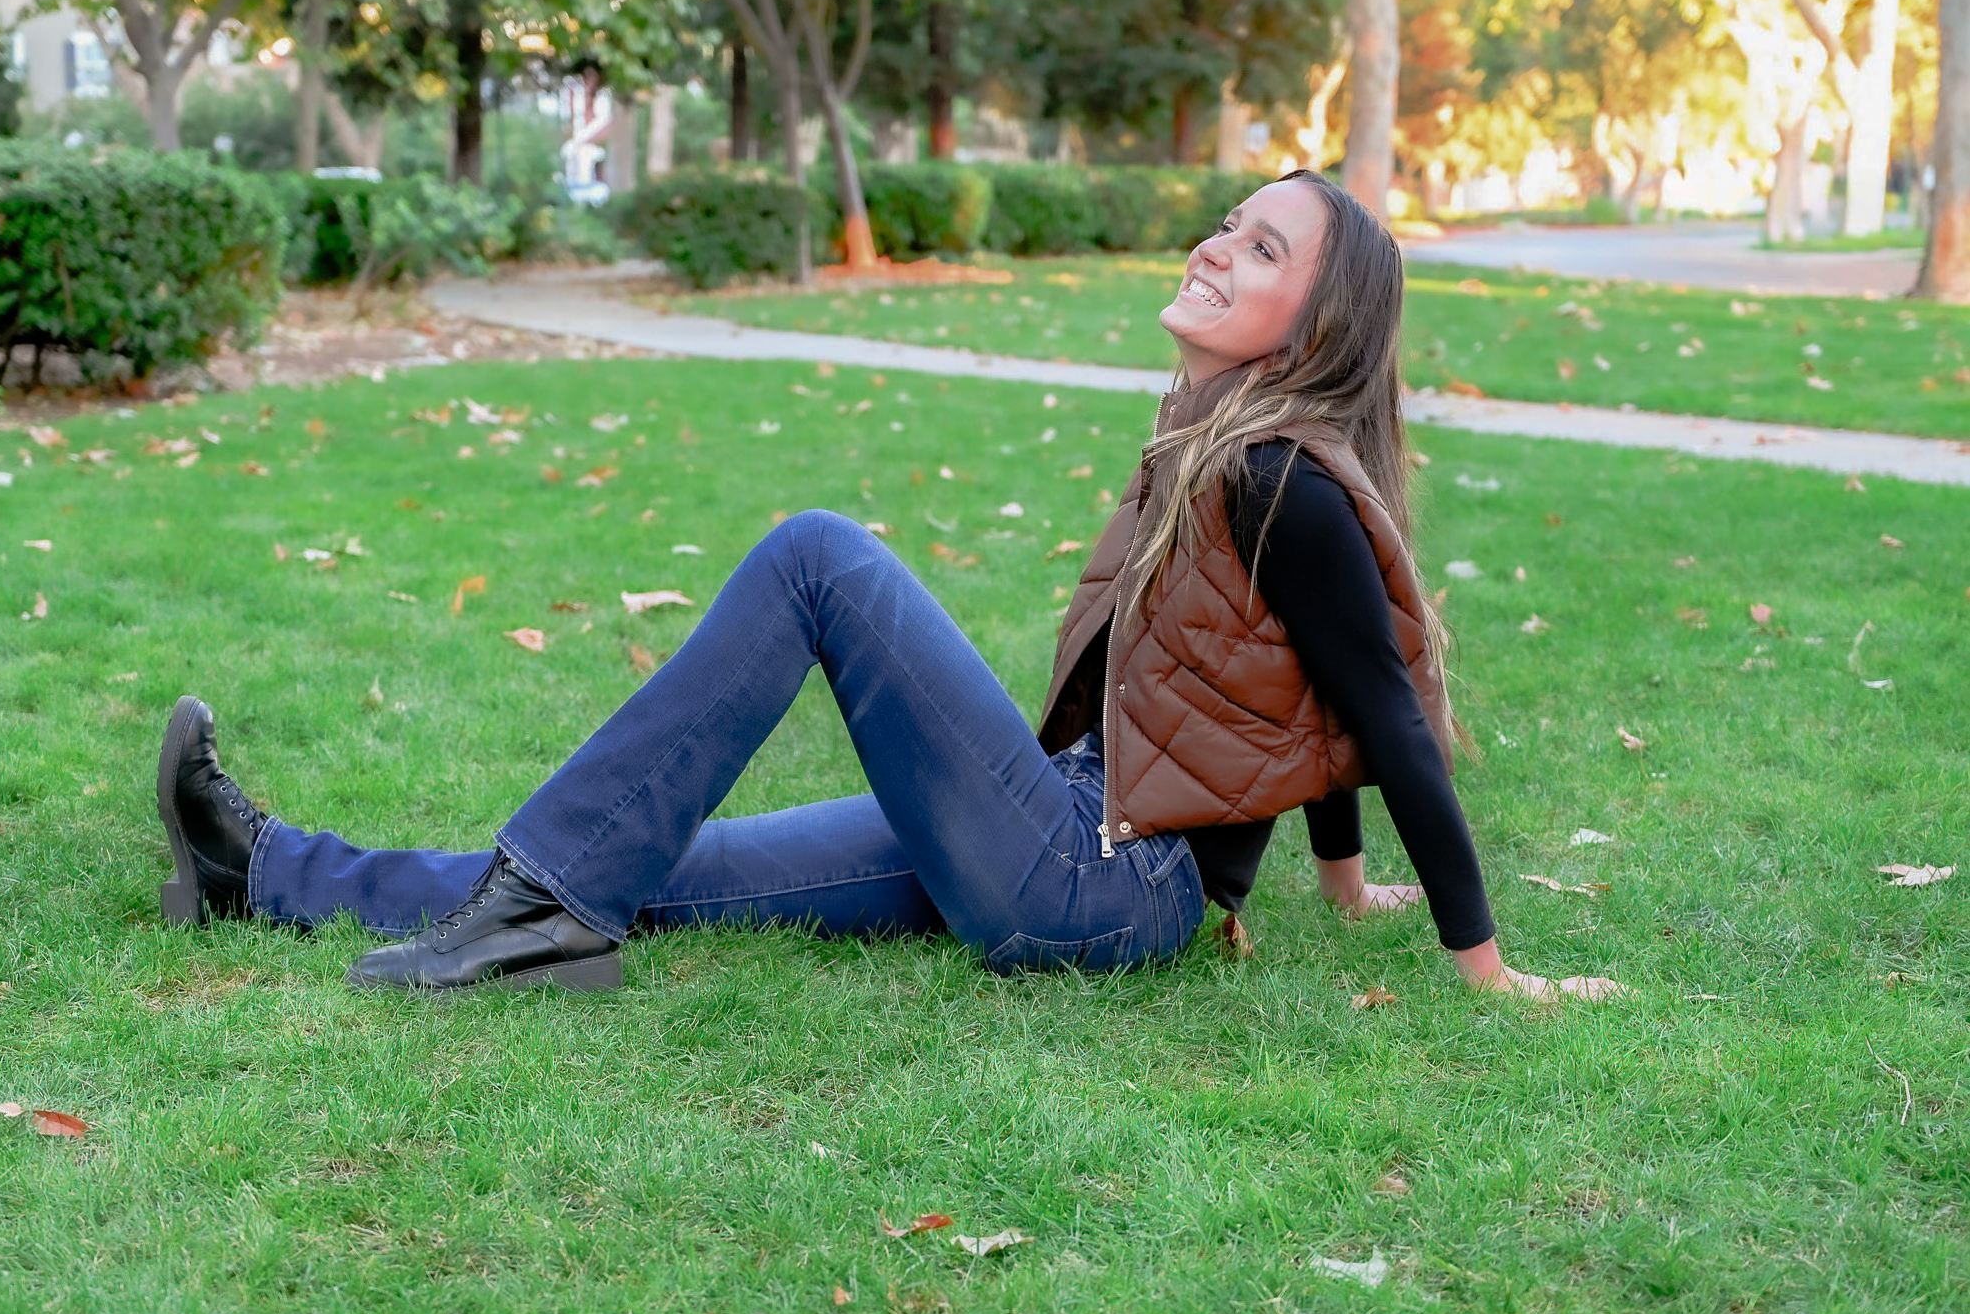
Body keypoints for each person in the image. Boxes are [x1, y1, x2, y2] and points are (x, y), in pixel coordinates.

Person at [155, 169, 1620, 1002]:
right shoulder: (1218, 442)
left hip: (1093, 881)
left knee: (818, 557)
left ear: (1318, 323)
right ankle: (266, 871)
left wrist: (1483, 967)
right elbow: (1295, 691)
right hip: (1062, 831)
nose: (1214, 244)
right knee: (649, 864)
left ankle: (532, 914)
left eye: (1260, 245)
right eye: (1227, 221)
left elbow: (1377, 711)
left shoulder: (1280, 477)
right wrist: (1334, 884)